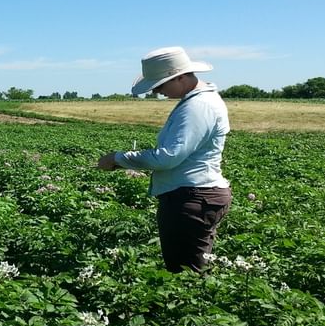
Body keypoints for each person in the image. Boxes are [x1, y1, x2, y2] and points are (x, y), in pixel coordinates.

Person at [97, 46, 231, 273]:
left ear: (180, 77)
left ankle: (191, 309)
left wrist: (119, 159)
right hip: (193, 196)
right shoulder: (195, 102)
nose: (157, 92)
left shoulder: (198, 106)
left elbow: (168, 157)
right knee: (189, 268)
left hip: (191, 198)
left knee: (185, 274)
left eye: (160, 85)